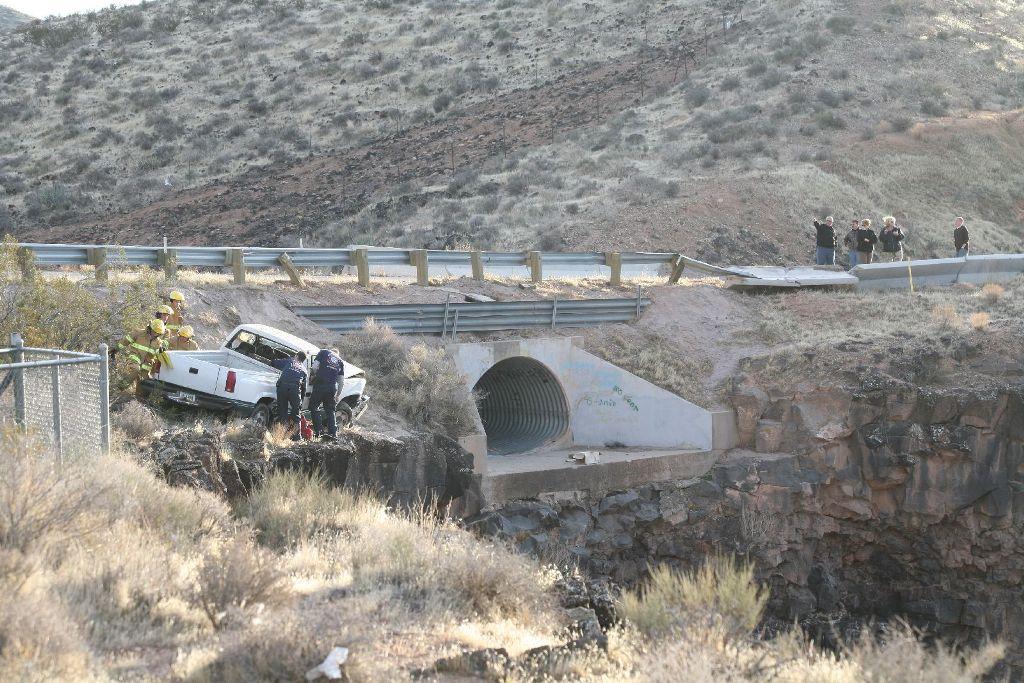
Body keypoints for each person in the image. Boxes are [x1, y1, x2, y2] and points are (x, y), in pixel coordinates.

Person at [309, 347, 345, 441]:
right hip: (332, 387)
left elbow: (314, 367)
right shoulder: (340, 361)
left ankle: (319, 432)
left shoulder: (324, 352)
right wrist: (338, 395)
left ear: (331, 350)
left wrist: (314, 375)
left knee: (314, 407)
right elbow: (341, 381)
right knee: (330, 410)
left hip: (320, 384)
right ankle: (333, 434)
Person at [117, 319, 167, 385]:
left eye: (158, 333)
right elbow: (125, 341)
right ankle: (121, 386)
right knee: (136, 369)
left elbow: (157, 357)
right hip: (134, 358)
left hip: (146, 366)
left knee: (144, 385)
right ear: (150, 328)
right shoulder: (139, 333)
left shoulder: (158, 343)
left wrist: (161, 352)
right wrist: (115, 349)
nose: (155, 334)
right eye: (154, 332)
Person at [271, 351, 307, 434]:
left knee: (282, 411)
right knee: (296, 414)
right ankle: (297, 437)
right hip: (295, 390)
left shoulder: (289, 361)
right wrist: (300, 402)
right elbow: (304, 388)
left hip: (282, 387)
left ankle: (281, 433)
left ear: (296, 356)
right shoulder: (304, 370)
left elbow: (274, 363)